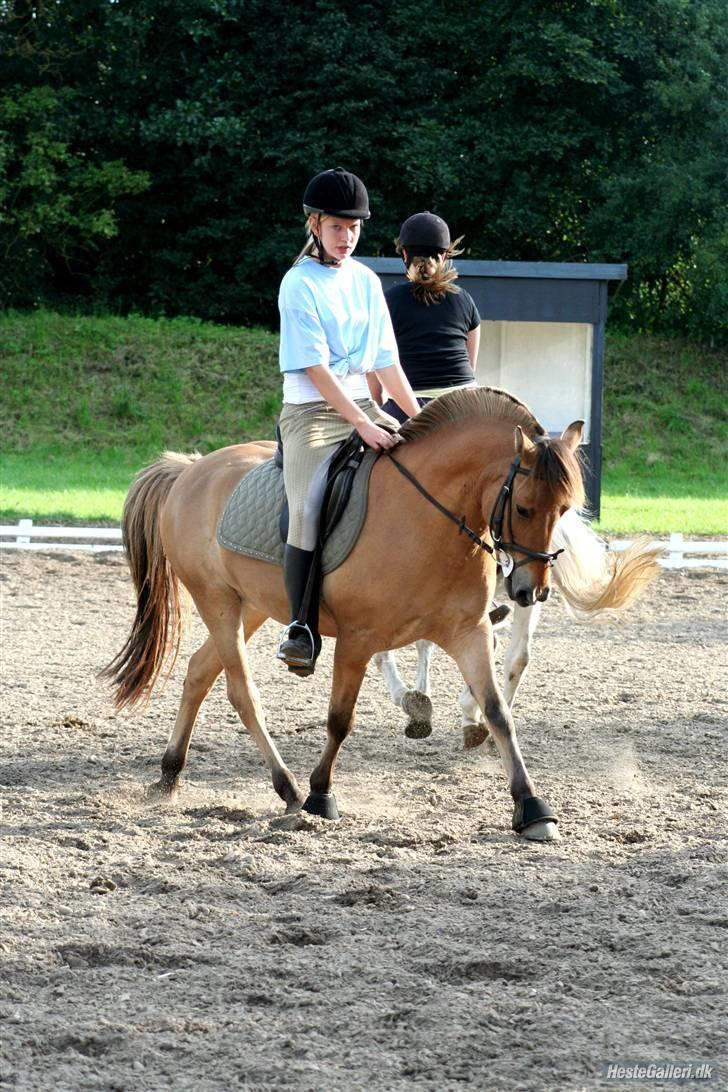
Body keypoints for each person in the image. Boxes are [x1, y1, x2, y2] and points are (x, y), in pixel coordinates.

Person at [276, 167, 421, 677]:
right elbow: (315, 369)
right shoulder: (298, 284)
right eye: (338, 227)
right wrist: (361, 422)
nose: (347, 237)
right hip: (312, 413)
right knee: (310, 501)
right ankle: (300, 626)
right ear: (314, 224)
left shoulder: (365, 281)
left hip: (364, 403)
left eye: (355, 228)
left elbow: (386, 362)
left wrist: (423, 421)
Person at [368, 211, 481, 423]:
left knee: (360, 452)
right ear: (445, 256)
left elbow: (374, 369)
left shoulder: (388, 302)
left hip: (410, 405)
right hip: (467, 405)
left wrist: (382, 411)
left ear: (404, 255)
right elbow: (470, 368)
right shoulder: (465, 299)